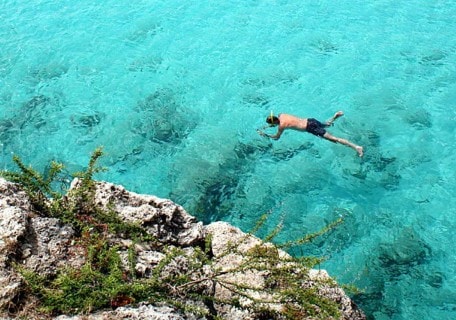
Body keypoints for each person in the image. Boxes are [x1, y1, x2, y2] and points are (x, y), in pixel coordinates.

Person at [257, 111, 364, 157]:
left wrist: (265, 135)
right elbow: (279, 121)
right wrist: (270, 125)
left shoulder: (281, 126)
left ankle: (357, 147)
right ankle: (335, 116)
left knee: (334, 139)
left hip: (310, 128)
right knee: (325, 125)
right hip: (310, 120)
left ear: (275, 122)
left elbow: (277, 138)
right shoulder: (282, 115)